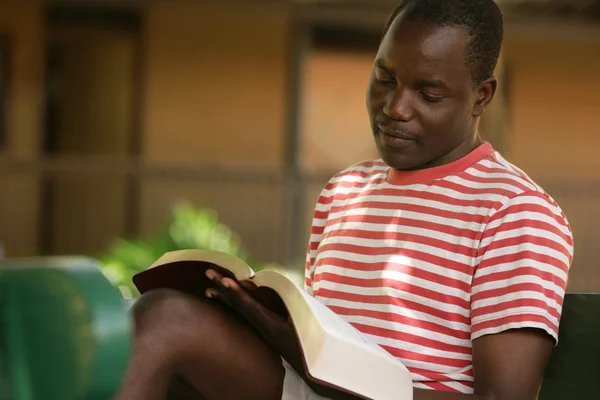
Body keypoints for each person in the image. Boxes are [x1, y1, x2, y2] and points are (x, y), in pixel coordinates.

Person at [114, 1, 573, 399]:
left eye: (428, 94)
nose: (396, 107)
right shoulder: (346, 191)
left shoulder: (514, 212)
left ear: (481, 97)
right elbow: (324, 348)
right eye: (384, 79)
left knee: (169, 324)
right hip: (308, 390)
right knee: (160, 316)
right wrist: (273, 328)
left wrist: (344, 378)